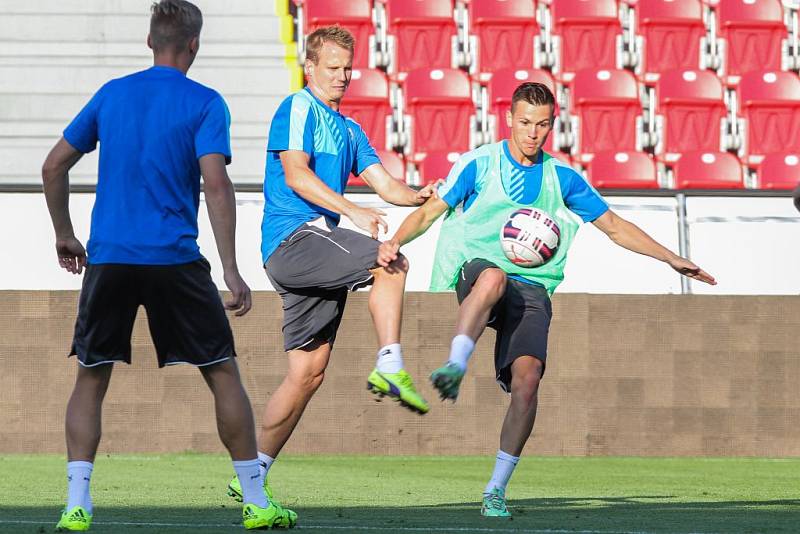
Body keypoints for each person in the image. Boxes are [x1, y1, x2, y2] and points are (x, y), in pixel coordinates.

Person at [377, 82, 717, 519]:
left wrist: (671, 258)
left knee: (528, 381)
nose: (532, 133)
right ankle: (457, 362)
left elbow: (613, 226)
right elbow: (428, 212)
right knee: (495, 276)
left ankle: (496, 490)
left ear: (552, 125)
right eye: (524, 123)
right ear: (508, 119)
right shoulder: (478, 165)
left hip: (532, 287)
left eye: (541, 125)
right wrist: (394, 241)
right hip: (477, 274)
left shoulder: (563, 177)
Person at [41, 1, 294, 530]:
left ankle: (76, 506)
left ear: (150, 42)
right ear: (194, 45)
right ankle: (254, 501)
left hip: (108, 257)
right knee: (222, 372)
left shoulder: (112, 95)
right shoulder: (205, 103)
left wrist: (64, 234)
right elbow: (216, 184)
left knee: (90, 379)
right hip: (174, 259)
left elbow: (53, 166)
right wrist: (230, 268)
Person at [225, 25, 437, 505]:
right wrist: (353, 211)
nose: (342, 76)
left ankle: (251, 475)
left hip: (314, 251)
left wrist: (419, 193)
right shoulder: (297, 107)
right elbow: (297, 175)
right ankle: (389, 364)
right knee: (391, 261)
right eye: (333, 67)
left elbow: (387, 187)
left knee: (308, 373)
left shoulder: (351, 129)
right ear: (311, 66)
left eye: (348, 68)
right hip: (294, 239)